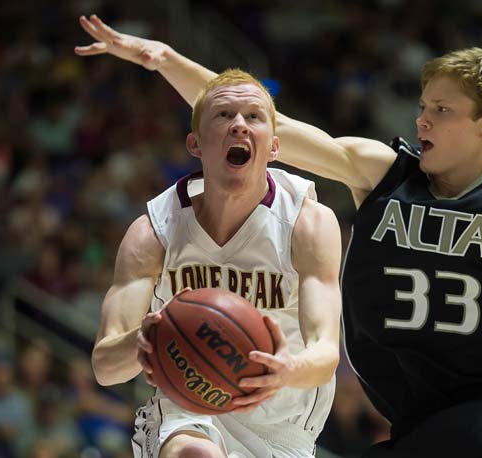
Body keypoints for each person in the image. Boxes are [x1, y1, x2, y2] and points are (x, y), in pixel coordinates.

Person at [74, 14, 482, 457]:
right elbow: (273, 125)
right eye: (423, 105)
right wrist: (163, 59)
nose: (421, 118)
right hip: (413, 423)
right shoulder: (383, 174)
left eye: (441, 110)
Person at [77, 34, 343, 458]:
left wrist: (287, 368)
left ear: (274, 147)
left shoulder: (307, 223)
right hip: (186, 408)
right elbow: (106, 367)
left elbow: (326, 353)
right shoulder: (154, 232)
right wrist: (145, 340)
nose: (239, 124)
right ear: (195, 143)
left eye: (254, 116)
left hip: (281, 422)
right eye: (223, 114)